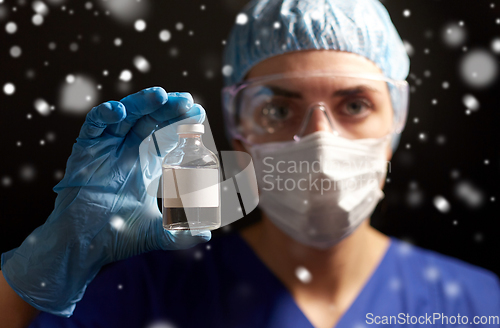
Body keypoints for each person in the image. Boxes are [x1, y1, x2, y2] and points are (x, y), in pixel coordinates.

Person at [1, 0, 499, 327]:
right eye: (279, 109)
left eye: (355, 105)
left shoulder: (477, 306)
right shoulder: (145, 295)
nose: (319, 142)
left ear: (395, 123)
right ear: (239, 130)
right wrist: (42, 269)